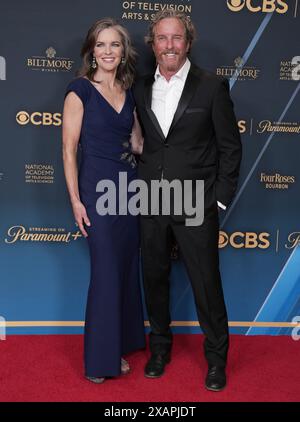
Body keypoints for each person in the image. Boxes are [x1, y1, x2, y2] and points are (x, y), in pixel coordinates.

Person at [133, 10, 242, 391]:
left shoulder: (211, 86)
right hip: (151, 200)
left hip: (198, 202)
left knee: (207, 285)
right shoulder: (139, 86)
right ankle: (159, 350)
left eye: (176, 38)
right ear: (153, 44)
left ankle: (216, 360)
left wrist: (220, 201)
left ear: (188, 42)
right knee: (154, 279)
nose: (169, 46)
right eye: (162, 39)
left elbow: (230, 147)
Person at [62, 18, 145, 384]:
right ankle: (100, 359)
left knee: (126, 269)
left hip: (129, 192)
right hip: (96, 191)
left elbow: (139, 144)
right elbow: (68, 150)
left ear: (123, 51)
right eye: (101, 45)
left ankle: (121, 345)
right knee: (107, 271)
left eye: (115, 45)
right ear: (91, 51)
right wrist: (76, 202)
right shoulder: (79, 90)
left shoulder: (129, 93)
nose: (108, 51)